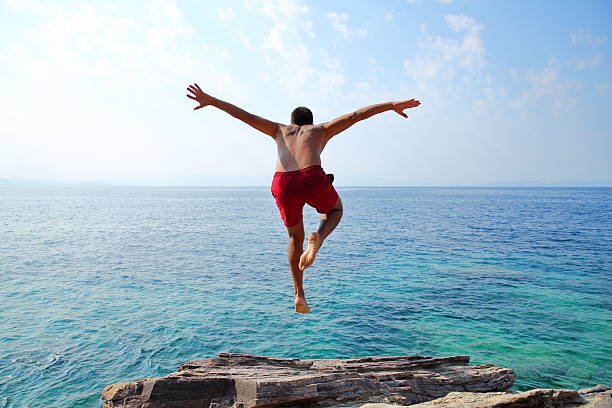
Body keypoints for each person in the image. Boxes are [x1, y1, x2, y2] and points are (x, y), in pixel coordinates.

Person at [186, 83, 420, 314]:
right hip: (311, 177)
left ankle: (299, 293)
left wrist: (212, 101)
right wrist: (391, 105)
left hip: (283, 183)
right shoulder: (320, 130)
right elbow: (357, 115)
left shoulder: (279, 129)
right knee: (335, 211)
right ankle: (319, 236)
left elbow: (244, 115)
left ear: (292, 122)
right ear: (310, 121)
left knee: (294, 238)